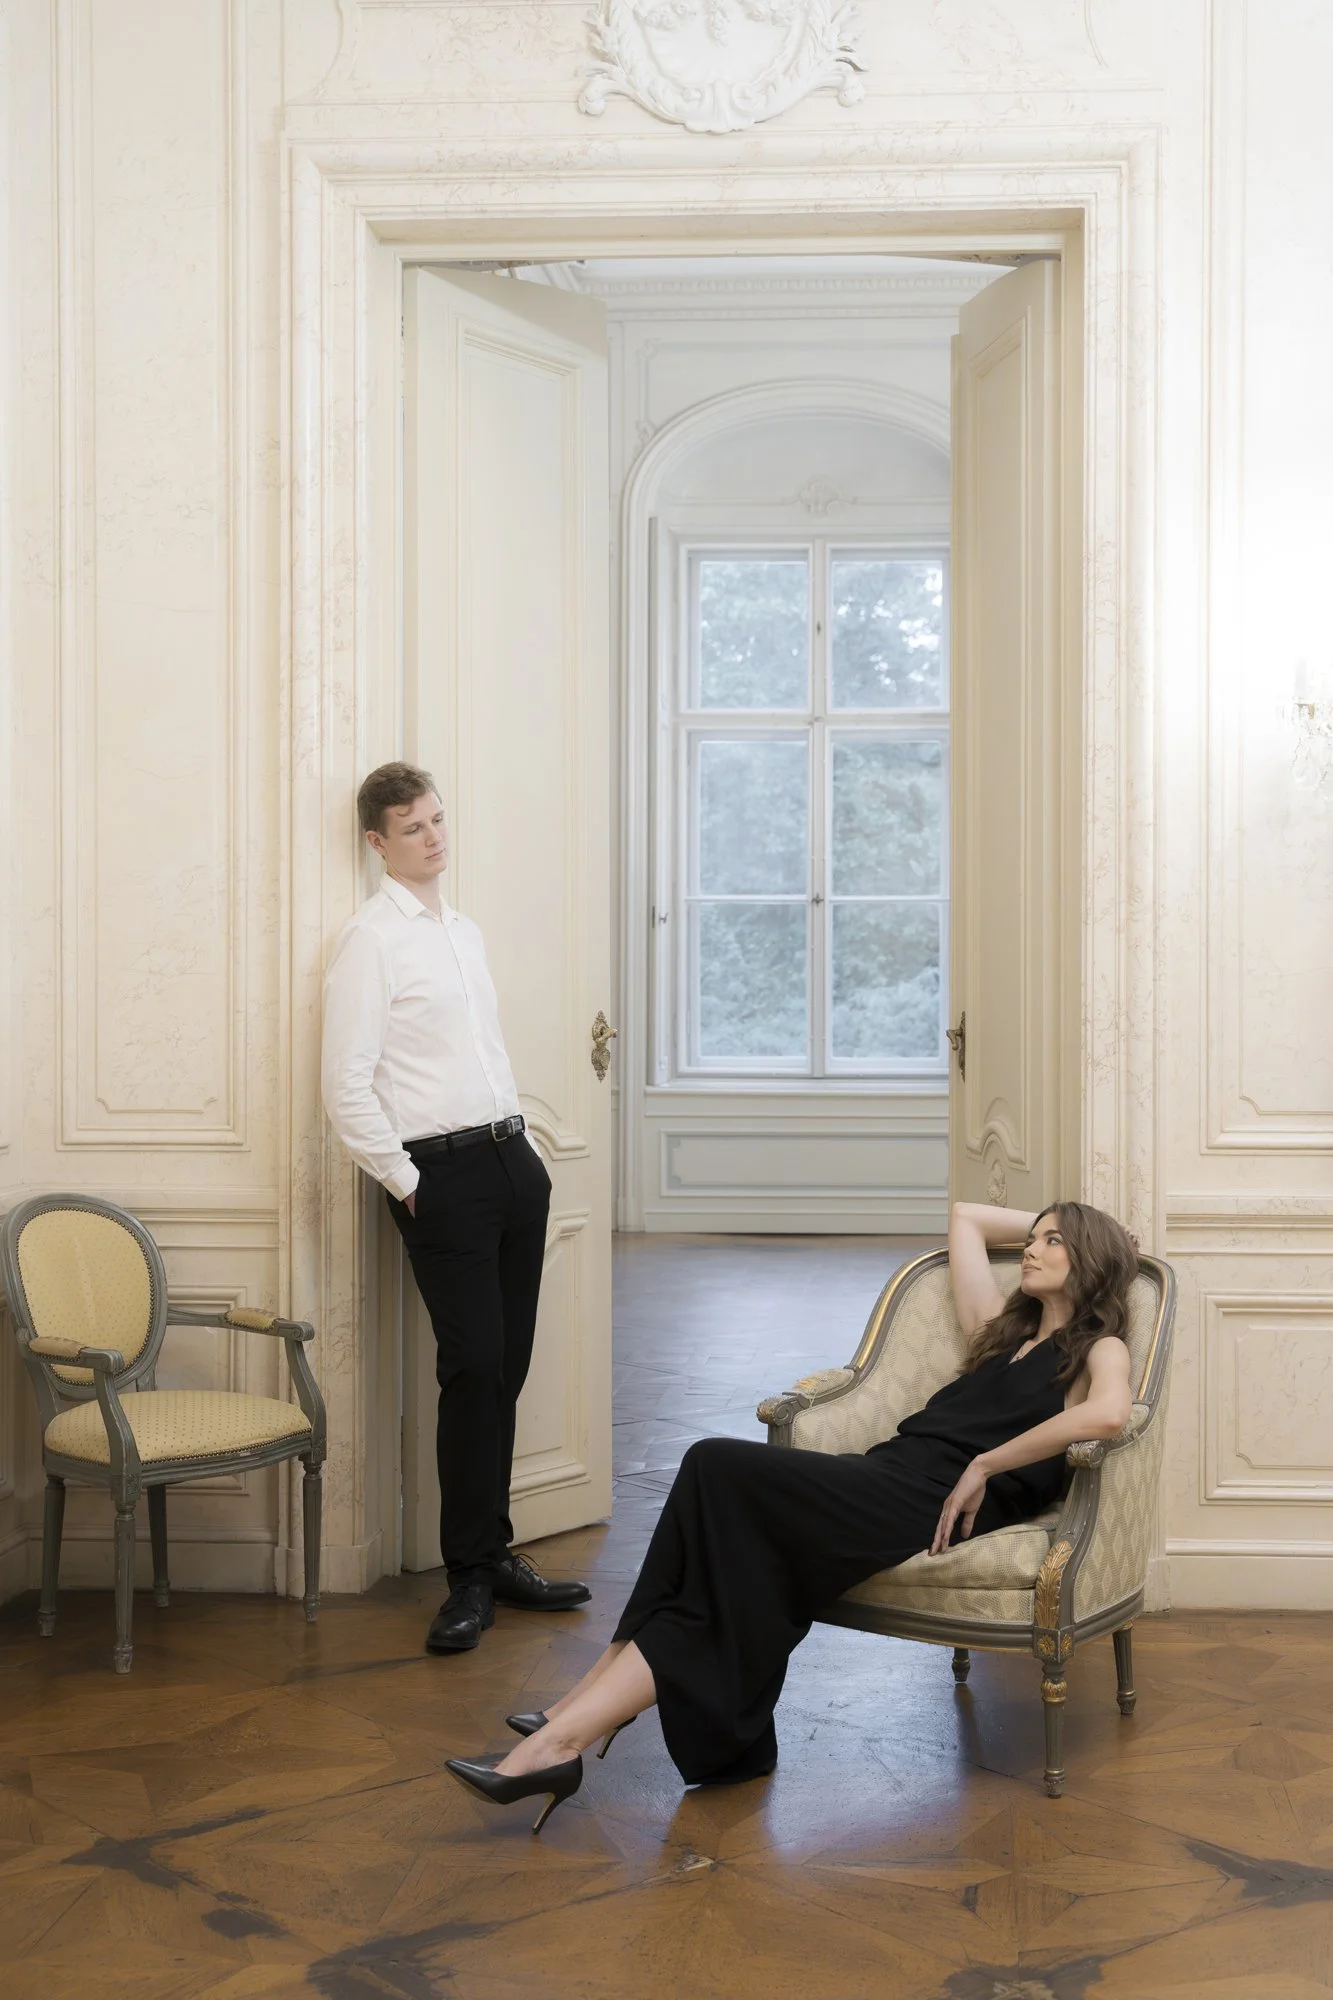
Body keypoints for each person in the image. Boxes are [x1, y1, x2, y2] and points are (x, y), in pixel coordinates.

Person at [444, 1199, 1138, 1830]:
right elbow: (966, 1217)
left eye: (1053, 1242)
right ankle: (563, 1734)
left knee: (713, 1463)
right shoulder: (996, 1330)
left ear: (1090, 1261)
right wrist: (1062, 1226)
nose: (1032, 1248)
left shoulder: (1094, 1349)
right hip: (882, 1474)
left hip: (927, 1503)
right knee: (724, 1582)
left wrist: (985, 1464)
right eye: (1034, 1237)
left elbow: (1107, 1414)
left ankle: (567, 1725)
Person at [322, 761, 590, 1656]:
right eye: (413, 828)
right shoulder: (370, 940)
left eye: (439, 820)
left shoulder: (462, 932)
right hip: (441, 1181)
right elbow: (345, 1086)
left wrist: (526, 1158)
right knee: (472, 1371)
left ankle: (496, 1551)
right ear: (377, 843)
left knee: (504, 1371)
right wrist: (409, 1185)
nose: (434, 838)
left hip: (513, 1162)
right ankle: (467, 1577)